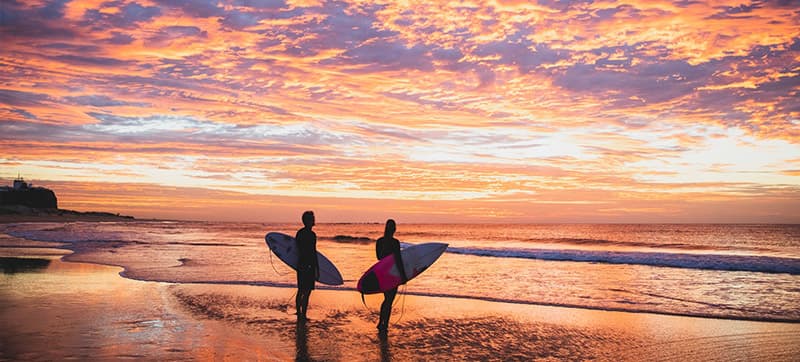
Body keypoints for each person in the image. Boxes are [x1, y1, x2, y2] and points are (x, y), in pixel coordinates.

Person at [375, 219, 407, 334]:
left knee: (386, 299)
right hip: (393, 274)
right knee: (389, 300)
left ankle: (380, 322)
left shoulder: (379, 241)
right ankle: (385, 324)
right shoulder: (395, 243)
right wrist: (403, 276)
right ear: (394, 229)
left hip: (383, 273)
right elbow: (398, 260)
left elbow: (379, 257)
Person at [295, 210, 319, 322]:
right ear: (308, 221)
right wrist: (316, 268)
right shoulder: (312, 235)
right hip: (308, 265)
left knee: (301, 290)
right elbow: (313, 253)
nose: (314, 220)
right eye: (312, 218)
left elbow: (296, 250)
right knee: (307, 291)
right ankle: (303, 315)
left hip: (301, 264)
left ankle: (299, 313)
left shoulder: (299, 233)